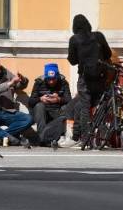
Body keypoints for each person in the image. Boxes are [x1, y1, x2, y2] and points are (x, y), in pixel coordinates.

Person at [66, 14, 112, 147]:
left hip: (85, 78)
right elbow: (108, 54)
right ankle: (102, 139)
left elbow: (73, 61)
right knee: (100, 107)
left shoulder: (74, 39)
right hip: (100, 77)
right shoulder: (99, 36)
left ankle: (85, 139)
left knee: (85, 108)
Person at [28, 63, 71, 145]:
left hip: (57, 111)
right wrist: (40, 99)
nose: (51, 82)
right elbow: (31, 102)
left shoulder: (63, 82)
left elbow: (69, 100)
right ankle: (42, 138)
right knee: (39, 106)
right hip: (43, 113)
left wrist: (59, 99)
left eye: (54, 79)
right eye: (49, 79)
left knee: (67, 107)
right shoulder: (39, 82)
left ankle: (61, 136)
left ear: (57, 76)